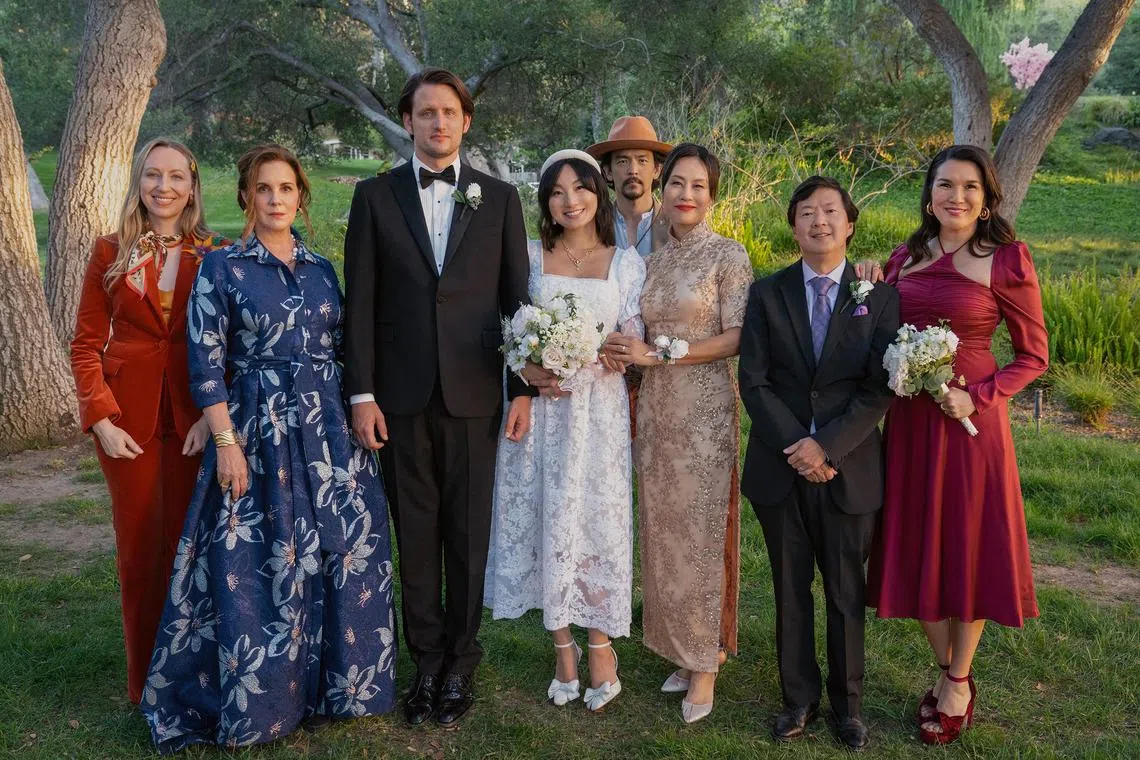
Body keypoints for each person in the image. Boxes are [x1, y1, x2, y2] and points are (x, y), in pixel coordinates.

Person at [140, 144, 398, 751]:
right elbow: (205, 365)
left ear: (300, 197)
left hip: (328, 432)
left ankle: (337, 688)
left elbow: (345, 349)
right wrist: (226, 443)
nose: (276, 199)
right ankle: (267, 699)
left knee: (340, 550)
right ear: (246, 197)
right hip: (258, 433)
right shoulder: (223, 268)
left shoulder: (322, 269)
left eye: (286, 188)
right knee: (264, 558)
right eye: (264, 188)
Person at [342, 68, 534, 728]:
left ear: (465, 121)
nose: (438, 122)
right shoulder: (374, 197)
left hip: (476, 392)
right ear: (408, 121)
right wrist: (362, 394)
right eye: (426, 112)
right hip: (399, 397)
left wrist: (522, 390)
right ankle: (424, 663)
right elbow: (360, 304)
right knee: (416, 535)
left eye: (449, 112)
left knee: (468, 536)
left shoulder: (499, 198)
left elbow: (517, 303)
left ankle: (461, 664)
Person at [864, 145, 1048, 745]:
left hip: (971, 427)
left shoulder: (1006, 260)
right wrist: (866, 280)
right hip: (910, 424)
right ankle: (949, 669)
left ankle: (958, 681)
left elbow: (1034, 356)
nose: (957, 197)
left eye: (970, 187)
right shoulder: (904, 257)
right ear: (929, 194)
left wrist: (979, 396)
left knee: (966, 546)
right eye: (945, 185)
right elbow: (875, 321)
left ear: (987, 198)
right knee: (915, 540)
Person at [738, 176, 900, 751]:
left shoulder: (878, 296)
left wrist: (825, 447)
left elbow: (880, 386)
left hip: (848, 467)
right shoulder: (767, 293)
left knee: (845, 590)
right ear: (794, 226)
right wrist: (799, 447)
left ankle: (848, 707)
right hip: (780, 467)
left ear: (849, 224)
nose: (819, 221)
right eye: (806, 212)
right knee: (789, 588)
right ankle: (798, 699)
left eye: (830, 211)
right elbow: (754, 381)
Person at [484, 149, 646, 711]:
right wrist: (526, 371)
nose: (569, 201)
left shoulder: (626, 263)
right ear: (545, 203)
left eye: (579, 188)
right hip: (542, 414)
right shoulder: (528, 257)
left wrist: (621, 351)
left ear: (598, 194)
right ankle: (562, 647)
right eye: (556, 192)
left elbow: (632, 336)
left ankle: (599, 644)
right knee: (543, 514)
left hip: (599, 414)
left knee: (596, 521)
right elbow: (505, 331)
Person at [70, 137, 226, 705]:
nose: (164, 187)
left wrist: (211, 418)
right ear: (138, 182)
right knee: (139, 550)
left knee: (192, 546)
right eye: (153, 175)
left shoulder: (216, 252)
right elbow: (85, 345)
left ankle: (195, 675)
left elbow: (228, 346)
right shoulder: (109, 250)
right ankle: (144, 684)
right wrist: (101, 419)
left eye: (176, 176)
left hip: (194, 422)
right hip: (127, 423)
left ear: (192, 186)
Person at [604, 143, 753, 724]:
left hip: (704, 410)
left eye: (698, 185)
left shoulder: (728, 255)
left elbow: (736, 337)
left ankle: (706, 660)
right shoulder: (654, 260)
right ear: (661, 191)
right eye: (676, 184)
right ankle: (680, 649)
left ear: (712, 196)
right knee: (663, 531)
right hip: (656, 411)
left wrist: (663, 354)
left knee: (701, 533)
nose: (685, 194)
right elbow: (637, 329)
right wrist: (623, 350)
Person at [585, 116, 672, 257]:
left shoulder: (675, 226)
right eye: (622, 161)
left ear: (656, 170)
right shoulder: (592, 226)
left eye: (642, 161)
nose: (633, 170)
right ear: (608, 172)